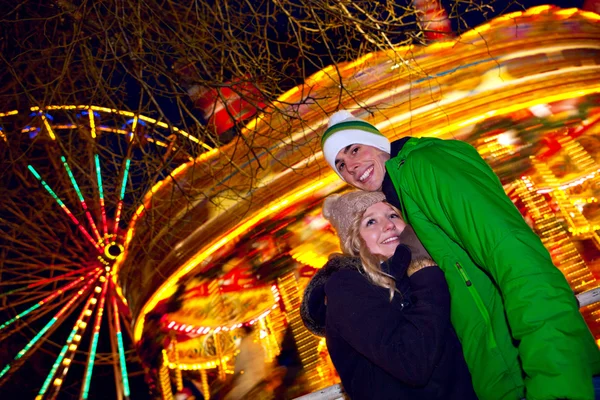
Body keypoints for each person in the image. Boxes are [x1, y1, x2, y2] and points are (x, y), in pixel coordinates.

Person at [320, 110, 600, 399]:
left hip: (540, 372)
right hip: (500, 378)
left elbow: (515, 257)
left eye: (355, 149)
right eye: (340, 165)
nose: (350, 166)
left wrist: (555, 375)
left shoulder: (424, 165)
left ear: (378, 143)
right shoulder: (403, 206)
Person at [301, 190, 477, 400]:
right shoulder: (347, 287)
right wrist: (426, 272)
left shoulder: (409, 275)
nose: (388, 225)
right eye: (371, 222)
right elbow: (412, 363)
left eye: (392, 215)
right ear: (355, 242)